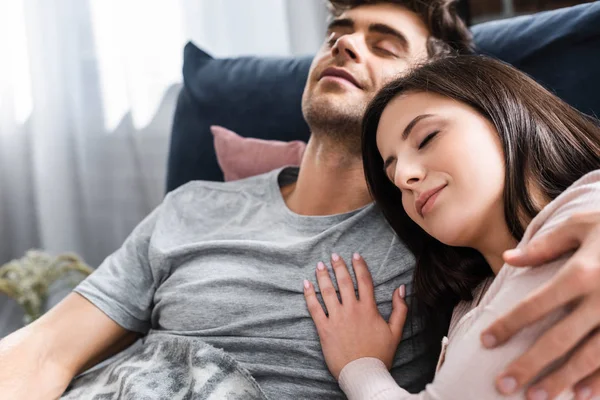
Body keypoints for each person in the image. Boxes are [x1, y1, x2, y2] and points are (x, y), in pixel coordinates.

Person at [0, 1, 599, 399]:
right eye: (338, 33)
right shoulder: (191, 207)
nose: (346, 46)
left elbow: (542, 211)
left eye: (384, 44)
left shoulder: (442, 230)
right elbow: (46, 349)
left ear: (450, 86)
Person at [303, 55, 600, 399]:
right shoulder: (466, 309)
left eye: (427, 137)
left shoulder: (585, 210)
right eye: (392, 176)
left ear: (505, 111)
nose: (403, 177)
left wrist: (361, 369)